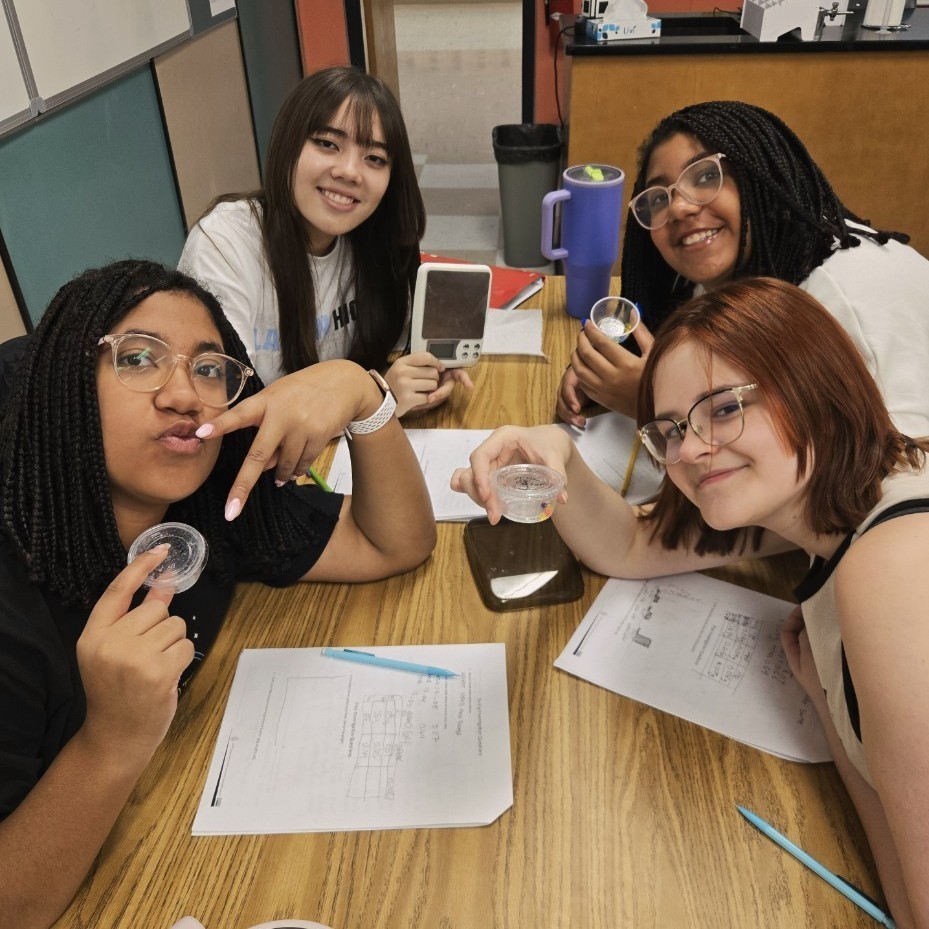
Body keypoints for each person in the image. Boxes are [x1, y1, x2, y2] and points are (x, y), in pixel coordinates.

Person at [455, 278, 929, 929]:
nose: (692, 450)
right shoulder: (822, 503)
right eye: (670, 430)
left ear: (813, 384)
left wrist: (829, 707)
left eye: (724, 407)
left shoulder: (891, 566)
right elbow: (628, 545)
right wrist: (556, 447)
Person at [0, 260, 436, 929]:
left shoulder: (207, 505)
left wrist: (362, 395)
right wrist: (111, 741)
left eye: (210, 369)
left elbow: (394, 542)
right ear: (63, 379)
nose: (184, 394)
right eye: (139, 358)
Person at [556, 100, 929, 440]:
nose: (679, 208)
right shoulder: (732, 275)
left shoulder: (852, 293)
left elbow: (905, 467)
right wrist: (613, 370)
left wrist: (659, 402)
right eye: (658, 198)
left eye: (704, 177)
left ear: (760, 176)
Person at [180, 65, 472, 419]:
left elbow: (395, 350)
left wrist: (427, 370)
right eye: (327, 144)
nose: (349, 171)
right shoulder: (225, 244)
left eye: (374, 159)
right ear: (288, 143)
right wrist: (378, 399)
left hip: (342, 454)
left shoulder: (376, 239)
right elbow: (225, 414)